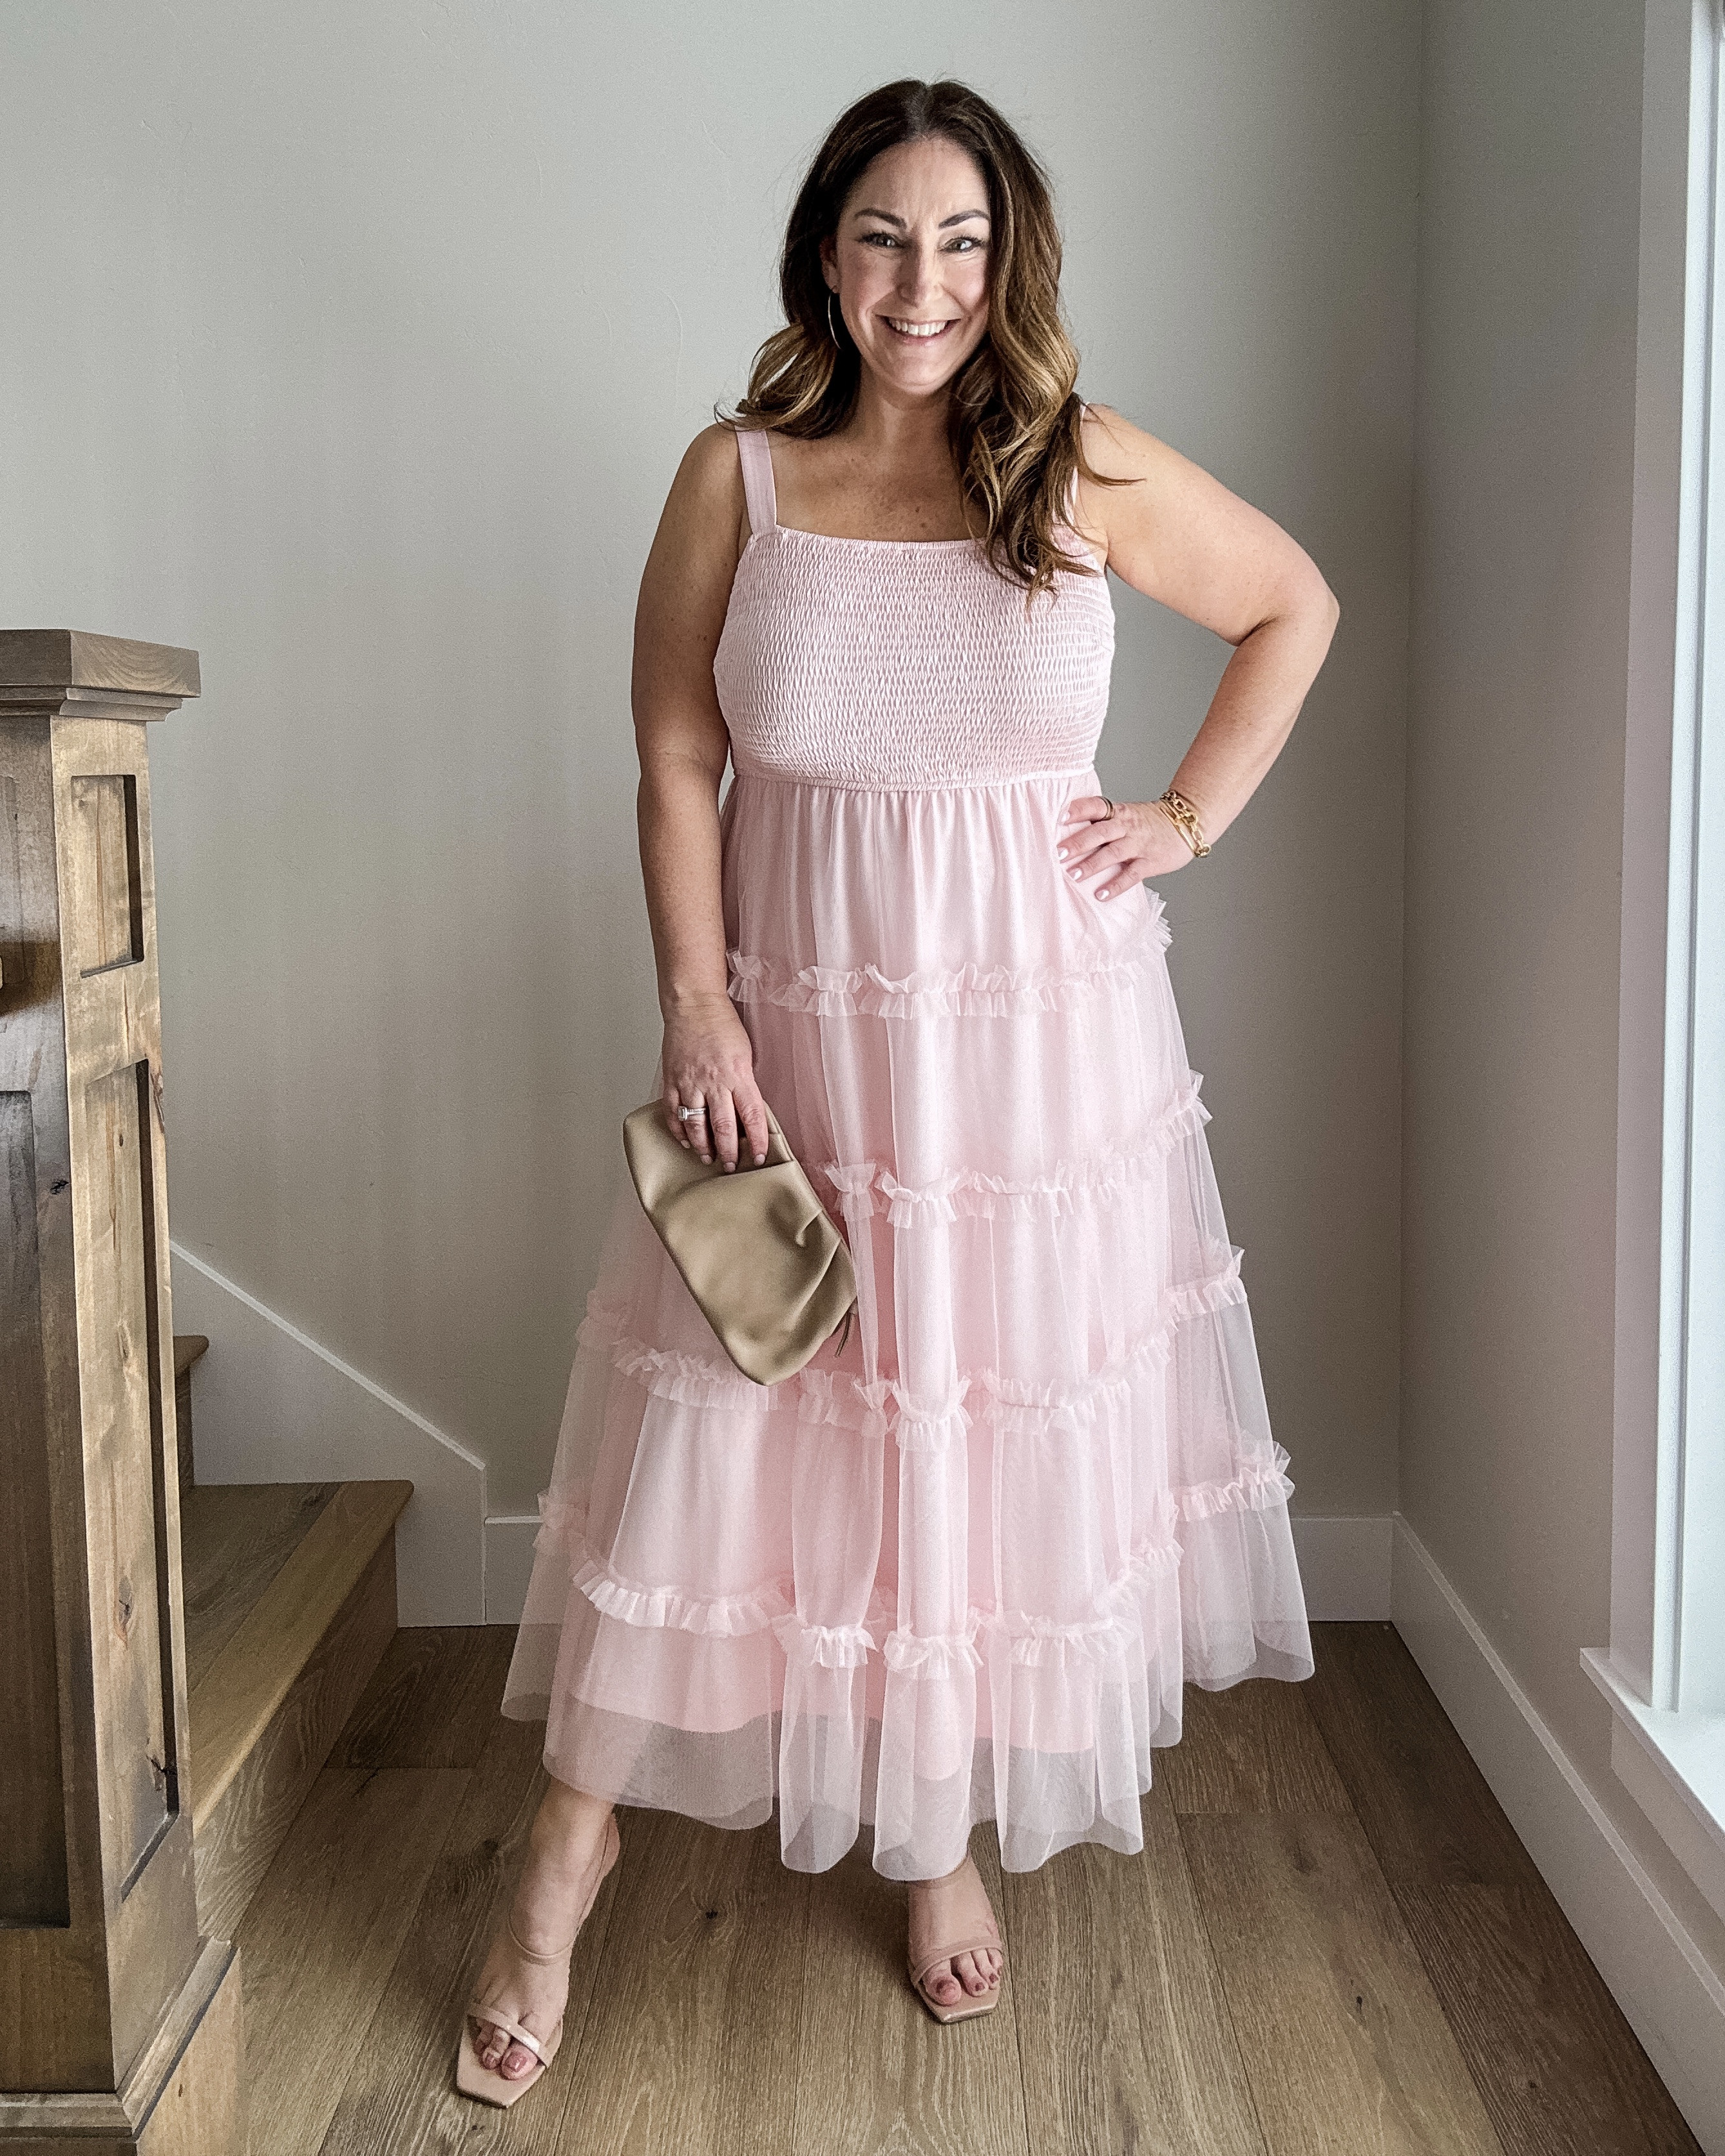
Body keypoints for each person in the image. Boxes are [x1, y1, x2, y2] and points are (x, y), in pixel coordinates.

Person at [460, 75, 1335, 2103]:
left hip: (1032, 1062)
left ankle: (932, 1831)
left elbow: (1295, 599)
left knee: (948, 1437)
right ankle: (553, 1875)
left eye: (957, 240)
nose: (919, 281)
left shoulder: (1080, 469)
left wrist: (1188, 816)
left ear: (1007, 257)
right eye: (881, 237)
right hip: (793, 1036)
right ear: (825, 259)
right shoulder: (737, 480)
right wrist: (700, 1010)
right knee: (730, 1430)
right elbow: (678, 753)